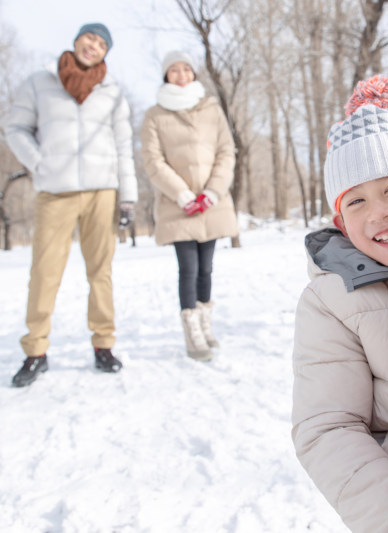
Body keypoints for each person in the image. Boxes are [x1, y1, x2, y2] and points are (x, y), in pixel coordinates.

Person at [291, 75, 388, 532]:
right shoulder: (331, 301)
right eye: (356, 201)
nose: (378, 211)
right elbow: (329, 430)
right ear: (340, 222)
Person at [5, 22, 138, 387]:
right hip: (55, 192)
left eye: (101, 43)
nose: (93, 46)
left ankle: (104, 345)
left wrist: (128, 196)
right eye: (89, 38)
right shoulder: (39, 82)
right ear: (77, 40)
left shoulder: (112, 92)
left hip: (102, 191)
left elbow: (124, 147)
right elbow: (15, 129)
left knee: (101, 272)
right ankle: (35, 350)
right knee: (45, 272)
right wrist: (39, 163)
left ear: (105, 53)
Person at [141, 50, 238, 362]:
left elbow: (226, 151)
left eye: (186, 69)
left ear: (193, 74)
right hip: (177, 204)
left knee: (207, 269)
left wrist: (212, 191)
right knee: (189, 269)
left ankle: (205, 324)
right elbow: (153, 161)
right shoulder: (155, 115)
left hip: (212, 202)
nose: (181, 74)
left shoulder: (211, 108)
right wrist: (182, 194)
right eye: (174, 70)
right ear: (165, 75)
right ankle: (192, 332)